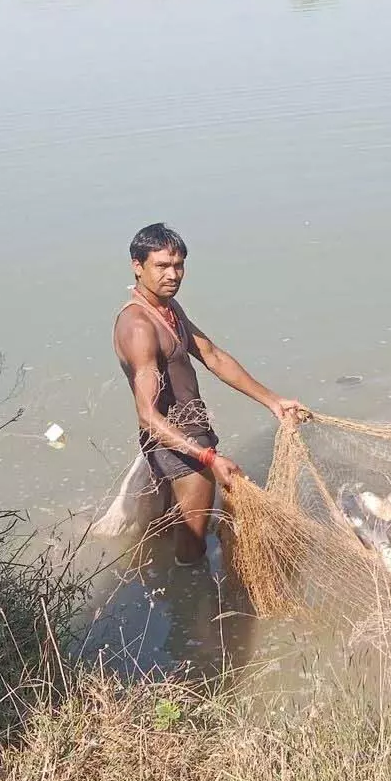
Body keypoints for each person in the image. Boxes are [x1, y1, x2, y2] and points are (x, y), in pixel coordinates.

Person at [113, 223, 303, 565]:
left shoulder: (168, 309)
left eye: (178, 265)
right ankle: (190, 605)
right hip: (179, 444)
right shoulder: (140, 327)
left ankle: (158, 571)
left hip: (188, 437)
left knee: (174, 524)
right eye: (161, 266)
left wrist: (273, 400)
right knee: (193, 548)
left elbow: (212, 355)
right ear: (137, 266)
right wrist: (207, 459)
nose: (173, 275)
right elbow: (148, 417)